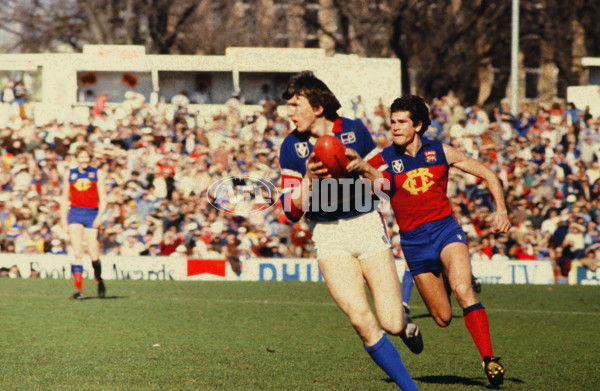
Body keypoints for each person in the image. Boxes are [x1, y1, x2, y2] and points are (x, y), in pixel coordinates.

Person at [278, 71, 421, 390]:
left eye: (295, 104)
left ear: (317, 107)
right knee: (361, 321)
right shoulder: (291, 146)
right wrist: (310, 179)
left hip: (366, 227)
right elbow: (290, 210)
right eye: (288, 106)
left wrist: (365, 168)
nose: (289, 112)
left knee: (392, 323)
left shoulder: (354, 131)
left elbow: (386, 187)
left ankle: (405, 324)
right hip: (328, 236)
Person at [376, 95, 512, 387]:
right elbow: (359, 185)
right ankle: (404, 327)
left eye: (402, 122)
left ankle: (489, 360)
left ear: (418, 125)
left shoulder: (441, 151)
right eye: (393, 121)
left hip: (446, 231)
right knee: (442, 318)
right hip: (413, 243)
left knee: (463, 289)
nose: (395, 127)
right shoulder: (383, 159)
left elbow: (488, 173)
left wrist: (500, 209)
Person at [60, 144, 107, 299]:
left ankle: (99, 280)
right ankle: (79, 291)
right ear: (77, 158)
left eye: (86, 157)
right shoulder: (70, 173)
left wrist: (100, 216)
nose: (84, 160)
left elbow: (104, 199)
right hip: (75, 213)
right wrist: (63, 220)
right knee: (78, 252)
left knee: (94, 253)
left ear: (90, 158)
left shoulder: (97, 173)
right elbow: (64, 198)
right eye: (81, 157)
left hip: (91, 214)